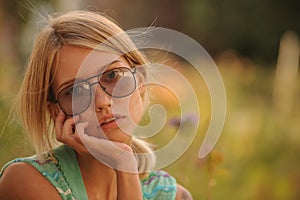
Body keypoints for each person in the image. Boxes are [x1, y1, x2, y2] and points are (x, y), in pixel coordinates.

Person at [0, 10, 193, 199]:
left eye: (112, 75)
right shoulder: (26, 182)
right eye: (75, 91)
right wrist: (123, 164)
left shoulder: (170, 195)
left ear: (140, 80)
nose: (102, 102)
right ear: (55, 111)